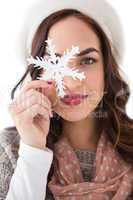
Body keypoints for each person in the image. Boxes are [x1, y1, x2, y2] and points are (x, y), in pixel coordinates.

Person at [0, 0, 133, 199]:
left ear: (107, 69)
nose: (71, 82)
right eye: (54, 62)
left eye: (87, 60)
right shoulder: (8, 150)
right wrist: (33, 150)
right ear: (38, 72)